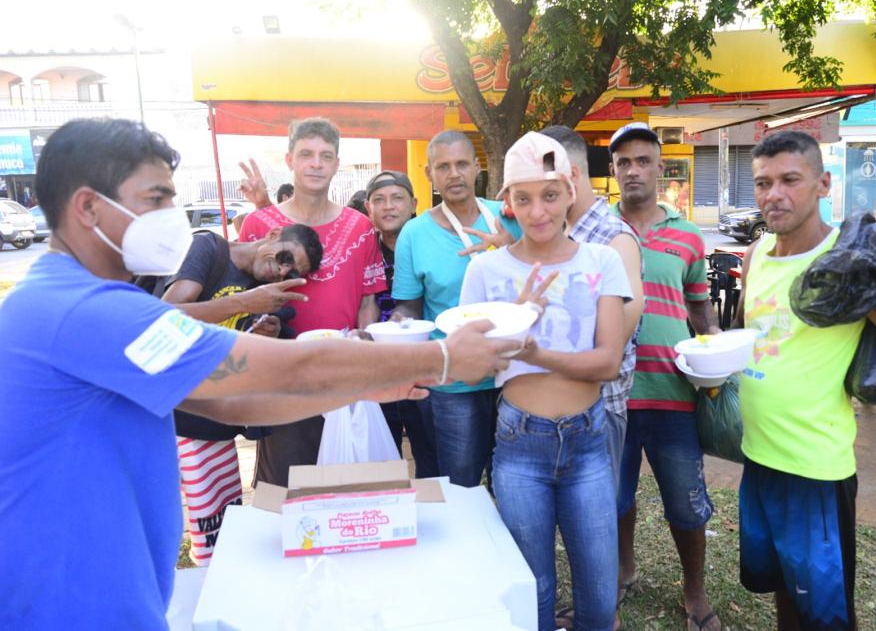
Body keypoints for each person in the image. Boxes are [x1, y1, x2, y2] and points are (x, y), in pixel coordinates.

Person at [0, 118, 515, 630]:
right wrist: (438, 359)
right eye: (156, 200)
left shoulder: (88, 303)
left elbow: (230, 404)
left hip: (113, 597)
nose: (170, 216)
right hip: (65, 607)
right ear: (89, 207)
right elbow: (290, 363)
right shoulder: (85, 312)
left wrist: (359, 387)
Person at [734, 130, 876, 630]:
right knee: (784, 593)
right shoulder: (756, 256)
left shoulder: (847, 259)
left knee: (827, 615)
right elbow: (761, 341)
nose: (775, 194)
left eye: (790, 179)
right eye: (763, 182)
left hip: (815, 468)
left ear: (823, 183)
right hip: (758, 457)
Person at [460, 132, 633, 631]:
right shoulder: (486, 271)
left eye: (550, 195)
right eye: (523, 198)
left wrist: (533, 350)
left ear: (572, 189)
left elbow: (607, 362)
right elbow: (472, 367)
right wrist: (512, 320)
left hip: (587, 442)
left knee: (599, 602)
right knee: (532, 596)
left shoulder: (601, 262)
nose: (537, 211)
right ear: (508, 202)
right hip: (519, 445)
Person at [609, 122, 721, 631]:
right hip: (612, 395)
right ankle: (623, 570)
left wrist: (716, 359)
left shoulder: (688, 235)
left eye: (642, 161)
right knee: (615, 497)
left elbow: (700, 312)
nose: (633, 170)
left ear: (659, 168)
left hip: (674, 393)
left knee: (686, 503)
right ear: (613, 171)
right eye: (623, 162)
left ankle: (694, 591)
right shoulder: (595, 232)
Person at [237, 118, 387, 486]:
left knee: (351, 487)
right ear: (290, 160)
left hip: (343, 375)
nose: (316, 163)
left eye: (326, 155)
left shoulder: (360, 226)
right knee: (287, 490)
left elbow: (369, 299)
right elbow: (237, 301)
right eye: (306, 154)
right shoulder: (259, 225)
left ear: (337, 164)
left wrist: (363, 356)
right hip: (280, 378)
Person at [161, 223, 322, 565]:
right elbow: (165, 315)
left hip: (214, 416)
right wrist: (244, 303)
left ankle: (216, 590)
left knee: (220, 521)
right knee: (170, 522)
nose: (281, 271)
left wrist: (266, 333)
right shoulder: (208, 248)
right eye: (284, 258)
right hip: (175, 409)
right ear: (273, 234)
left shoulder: (266, 291)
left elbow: (234, 348)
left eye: (291, 271)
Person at [390, 130, 521, 488]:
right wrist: (394, 328)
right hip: (452, 381)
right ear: (430, 173)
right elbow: (408, 306)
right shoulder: (414, 234)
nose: (454, 174)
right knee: (459, 483)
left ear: (477, 167)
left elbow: (544, 273)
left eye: (462, 163)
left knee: (513, 482)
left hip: (513, 373)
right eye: (443, 166)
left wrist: (511, 247)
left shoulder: (508, 217)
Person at [540, 125, 644, 493]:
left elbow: (621, 333)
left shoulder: (612, 238)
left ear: (571, 176)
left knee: (599, 522)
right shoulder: (561, 235)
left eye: (546, 184)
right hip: (557, 403)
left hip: (599, 408)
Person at [365, 170, 439, 478]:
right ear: (368, 208)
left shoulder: (432, 243)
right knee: (383, 461)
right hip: (376, 371)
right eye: (379, 200)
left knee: (432, 456)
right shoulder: (363, 249)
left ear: (414, 204)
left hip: (425, 371)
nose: (388, 206)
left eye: (397, 198)